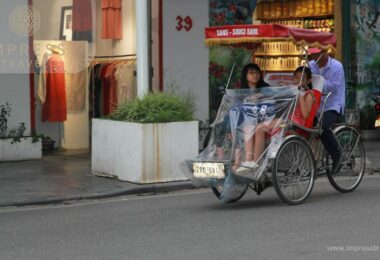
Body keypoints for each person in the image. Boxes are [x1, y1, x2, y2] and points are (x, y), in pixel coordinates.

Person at [236, 66, 317, 175]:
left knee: (260, 127)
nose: (298, 81)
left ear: (308, 81)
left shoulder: (308, 94)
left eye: (302, 79)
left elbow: (306, 114)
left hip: (295, 122)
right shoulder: (291, 90)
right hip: (284, 118)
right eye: (296, 78)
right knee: (253, 128)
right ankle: (250, 161)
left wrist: (300, 96)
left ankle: (256, 162)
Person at [214, 63, 268, 160]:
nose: (255, 75)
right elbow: (236, 107)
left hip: (257, 118)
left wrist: (260, 96)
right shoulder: (241, 92)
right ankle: (220, 159)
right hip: (242, 119)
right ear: (245, 75)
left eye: (257, 73)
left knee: (239, 124)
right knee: (219, 125)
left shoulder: (265, 89)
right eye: (251, 73)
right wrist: (247, 99)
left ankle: (237, 162)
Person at [308, 47, 345, 173]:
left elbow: (334, 87)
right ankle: (309, 160)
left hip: (333, 105)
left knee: (321, 127)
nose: (313, 58)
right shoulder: (311, 65)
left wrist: (317, 81)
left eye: (316, 54)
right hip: (316, 105)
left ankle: (337, 155)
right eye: (312, 54)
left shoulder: (337, 66)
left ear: (324, 52)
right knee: (303, 125)